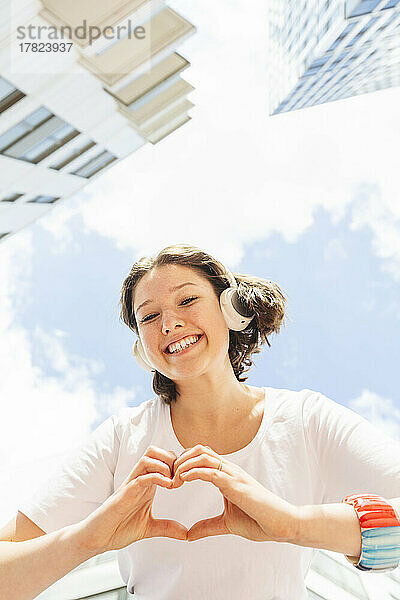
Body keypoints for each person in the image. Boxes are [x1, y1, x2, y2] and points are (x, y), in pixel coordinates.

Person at [1, 244, 399, 600]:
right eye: (149, 316)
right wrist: (86, 540)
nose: (169, 324)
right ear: (143, 349)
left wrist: (290, 523)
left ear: (231, 309)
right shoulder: (122, 437)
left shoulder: (307, 420)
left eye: (187, 300)